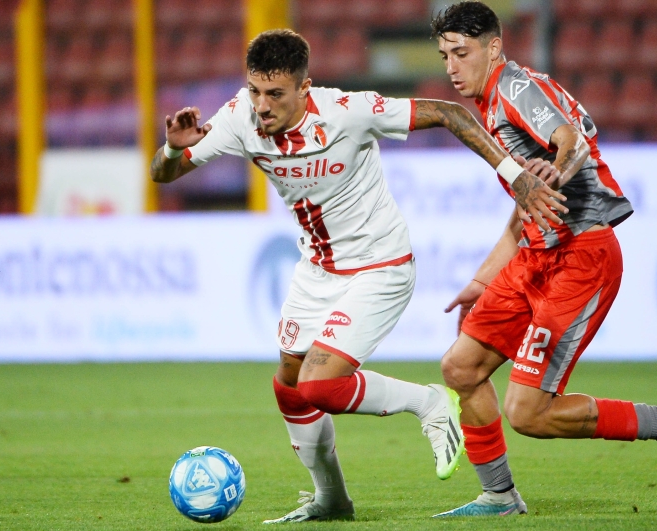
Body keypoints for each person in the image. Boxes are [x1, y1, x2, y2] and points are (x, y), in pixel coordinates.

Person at [149, 29, 567, 523]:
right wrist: (174, 150)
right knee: (288, 383)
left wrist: (515, 176)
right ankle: (331, 499)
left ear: (305, 89)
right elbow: (162, 173)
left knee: (320, 386)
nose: (263, 106)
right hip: (317, 270)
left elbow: (450, 113)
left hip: (380, 265)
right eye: (257, 91)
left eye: (276, 94)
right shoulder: (240, 116)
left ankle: (429, 402)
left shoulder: (348, 111)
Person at [427, 2, 657, 517]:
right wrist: (481, 280)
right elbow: (524, 208)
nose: (450, 66)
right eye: (444, 54)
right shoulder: (491, 102)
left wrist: (556, 171)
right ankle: (499, 496)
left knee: (528, 412)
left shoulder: (515, 89)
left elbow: (572, 140)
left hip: (581, 257)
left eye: (460, 53)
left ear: (493, 47)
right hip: (535, 257)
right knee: (461, 367)